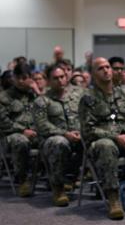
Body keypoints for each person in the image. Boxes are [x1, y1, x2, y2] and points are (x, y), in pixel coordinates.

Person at [79, 57, 125, 220]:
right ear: (93, 73)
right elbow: (88, 130)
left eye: (108, 67)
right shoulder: (88, 98)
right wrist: (115, 137)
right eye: (101, 68)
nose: (107, 70)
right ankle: (113, 197)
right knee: (106, 145)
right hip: (102, 143)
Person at [33, 65, 84, 206]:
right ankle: (58, 187)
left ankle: (105, 188)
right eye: (55, 78)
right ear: (48, 81)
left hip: (78, 136)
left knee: (98, 140)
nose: (60, 80)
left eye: (62, 77)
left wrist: (83, 132)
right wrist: (65, 134)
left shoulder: (79, 95)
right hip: (52, 140)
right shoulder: (42, 101)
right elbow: (42, 125)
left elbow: (88, 115)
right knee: (59, 142)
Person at [0, 63, 42, 197]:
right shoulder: (4, 97)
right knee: (21, 141)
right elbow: (3, 122)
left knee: (57, 140)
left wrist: (37, 91)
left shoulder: (35, 96)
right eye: (19, 78)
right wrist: (22, 130)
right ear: (14, 78)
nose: (22, 81)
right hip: (10, 136)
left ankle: (59, 181)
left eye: (26, 77)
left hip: (35, 134)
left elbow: (47, 112)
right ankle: (22, 180)